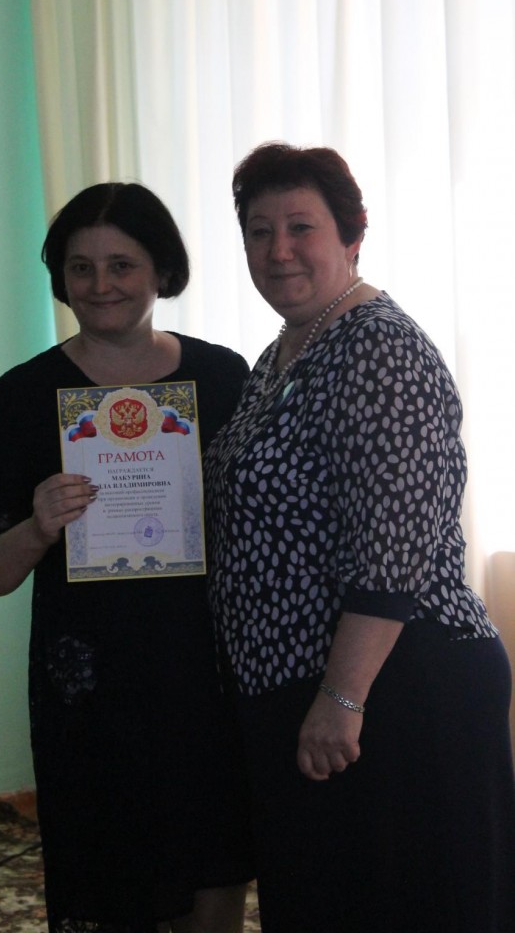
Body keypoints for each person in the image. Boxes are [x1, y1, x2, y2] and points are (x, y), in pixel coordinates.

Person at [203, 142, 515, 933]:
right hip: (318, 689)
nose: (277, 249)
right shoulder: (285, 352)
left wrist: (341, 700)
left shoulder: (376, 346)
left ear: (352, 235)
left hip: (393, 691)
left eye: (299, 227)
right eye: (259, 231)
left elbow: (390, 549)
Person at [0, 182, 253, 933]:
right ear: (60, 278)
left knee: (213, 873)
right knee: (106, 887)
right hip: (86, 699)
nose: (100, 285)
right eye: (80, 268)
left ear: (162, 270)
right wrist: (38, 527)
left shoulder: (224, 380)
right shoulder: (23, 396)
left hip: (205, 680)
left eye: (122, 265)